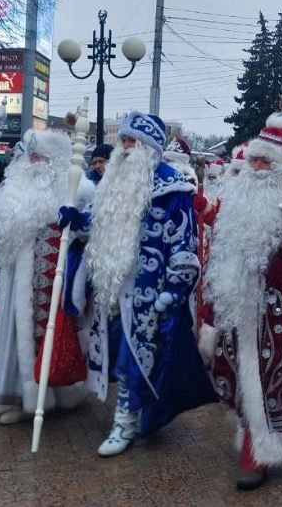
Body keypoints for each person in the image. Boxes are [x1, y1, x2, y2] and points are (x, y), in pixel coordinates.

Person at [71, 111, 216, 457]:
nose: (123, 148)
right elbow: (97, 220)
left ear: (149, 147)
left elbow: (184, 243)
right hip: (113, 285)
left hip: (150, 290)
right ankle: (135, 413)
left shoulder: (172, 187)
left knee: (134, 358)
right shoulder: (112, 182)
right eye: (122, 140)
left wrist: (175, 288)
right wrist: (77, 221)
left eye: (131, 142)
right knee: (123, 354)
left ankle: (124, 421)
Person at [202, 114, 282, 490]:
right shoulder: (233, 197)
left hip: (277, 309)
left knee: (270, 378)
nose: (257, 168)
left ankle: (259, 450)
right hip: (234, 302)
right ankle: (249, 432)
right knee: (230, 373)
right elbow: (219, 248)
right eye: (254, 159)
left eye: (265, 161)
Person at [0, 129, 94, 425]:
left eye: (39, 157)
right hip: (14, 283)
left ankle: (56, 397)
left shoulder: (77, 193)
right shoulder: (14, 191)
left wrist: (78, 225)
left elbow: (88, 234)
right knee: (15, 339)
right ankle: (23, 399)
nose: (32, 162)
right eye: (29, 155)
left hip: (53, 285)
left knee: (47, 340)